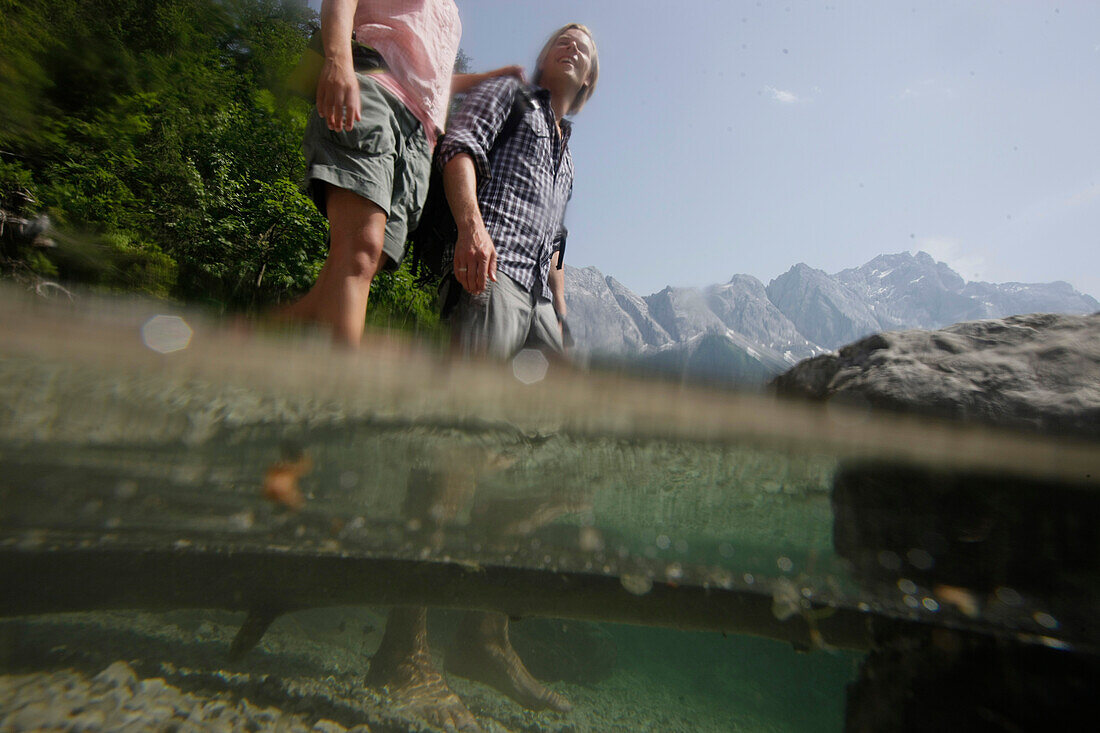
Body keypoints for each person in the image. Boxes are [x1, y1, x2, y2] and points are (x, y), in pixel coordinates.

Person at [363, 23, 598, 731]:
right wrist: (471, 226)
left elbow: (557, 248)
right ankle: (402, 649)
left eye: (584, 46)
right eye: (563, 36)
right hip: (488, 275)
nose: (571, 45)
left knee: (570, 454)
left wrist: (563, 321)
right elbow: (459, 150)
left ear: (589, 82)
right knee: (457, 445)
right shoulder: (507, 95)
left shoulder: (571, 157)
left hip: (539, 302)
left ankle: (483, 634)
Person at [279, 0, 523, 347]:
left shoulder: (451, 13)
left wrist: (488, 78)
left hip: (420, 138)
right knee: (361, 249)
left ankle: (247, 337)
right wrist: (338, 60)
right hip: (373, 93)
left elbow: (432, 81)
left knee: (359, 266)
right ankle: (337, 389)